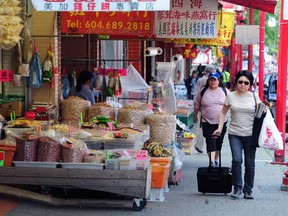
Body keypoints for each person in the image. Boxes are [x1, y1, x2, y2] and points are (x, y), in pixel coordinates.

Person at [213, 70, 263, 200]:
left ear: (250, 84)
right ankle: (237, 187)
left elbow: (261, 113)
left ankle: (248, 190)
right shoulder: (231, 96)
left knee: (249, 163)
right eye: (240, 81)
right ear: (236, 82)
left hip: (251, 135)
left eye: (246, 83)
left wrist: (265, 109)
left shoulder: (254, 97)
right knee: (237, 160)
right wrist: (219, 127)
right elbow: (223, 113)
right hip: (234, 133)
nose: (243, 84)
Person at [193, 72, 228, 167]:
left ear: (218, 81)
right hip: (206, 121)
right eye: (210, 80)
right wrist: (195, 115)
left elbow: (231, 103)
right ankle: (212, 161)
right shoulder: (203, 91)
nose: (212, 82)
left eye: (214, 80)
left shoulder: (224, 91)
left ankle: (216, 159)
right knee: (210, 140)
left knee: (218, 142)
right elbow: (197, 104)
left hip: (222, 122)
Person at [193, 64, 216, 153]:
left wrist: (196, 109)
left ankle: (199, 145)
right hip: (213, 108)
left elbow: (196, 94)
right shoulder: (216, 80)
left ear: (205, 71)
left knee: (200, 126)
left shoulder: (200, 80)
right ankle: (212, 145)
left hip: (202, 107)